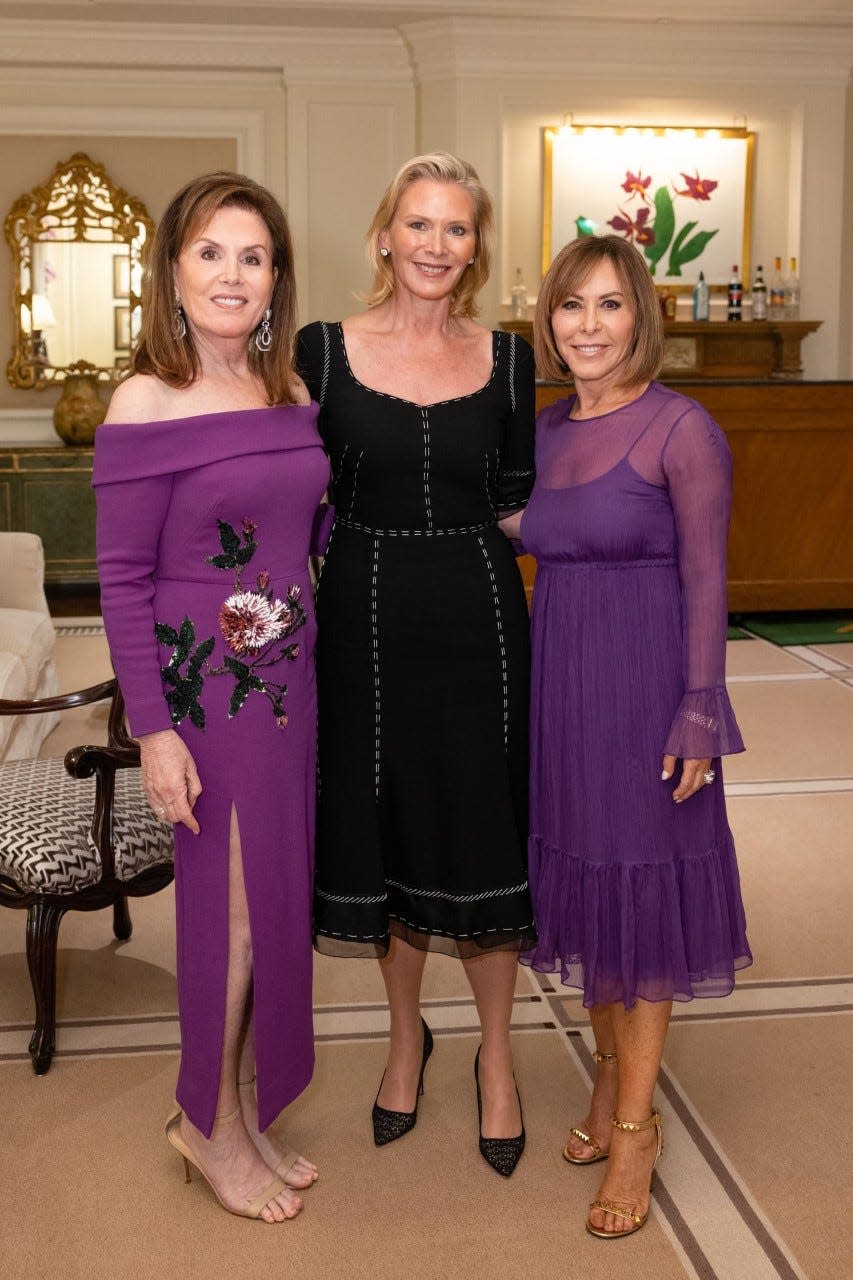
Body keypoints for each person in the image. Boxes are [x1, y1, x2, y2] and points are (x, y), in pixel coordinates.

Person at [92, 172, 330, 1222]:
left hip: (287, 687)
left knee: (272, 909)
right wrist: (152, 729)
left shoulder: (287, 394)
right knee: (230, 922)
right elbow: (121, 579)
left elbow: (304, 531)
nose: (232, 274)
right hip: (203, 696)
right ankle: (206, 1124)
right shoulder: (146, 396)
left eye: (253, 255)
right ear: (173, 273)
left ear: (275, 278)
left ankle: (235, 1100)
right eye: (210, 253)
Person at [296, 153, 535, 1176]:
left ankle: (495, 1055)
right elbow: (286, 488)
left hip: (481, 609)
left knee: (481, 826)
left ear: (476, 247)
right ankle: (405, 1039)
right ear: (384, 234)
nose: (437, 245)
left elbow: (524, 501)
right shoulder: (319, 349)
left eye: (457, 228)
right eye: (419, 224)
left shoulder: (514, 357)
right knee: (386, 822)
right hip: (360, 612)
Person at [521, 234, 751, 1237]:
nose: (587, 325)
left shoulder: (683, 428)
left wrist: (700, 706)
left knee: (644, 896)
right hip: (561, 684)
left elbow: (709, 578)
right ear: (548, 320)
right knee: (586, 884)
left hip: (649, 687)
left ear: (639, 316)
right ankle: (609, 1069)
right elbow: (508, 526)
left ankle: (635, 1125)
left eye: (608, 305)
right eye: (571, 306)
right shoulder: (541, 429)